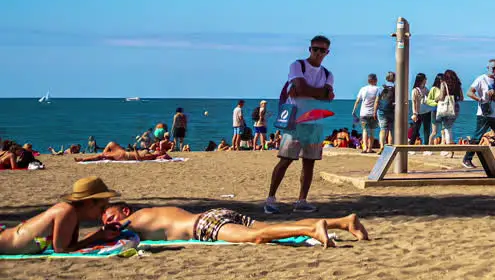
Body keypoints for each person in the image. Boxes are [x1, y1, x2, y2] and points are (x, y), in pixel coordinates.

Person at [265, 35, 335, 215]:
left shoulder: (328, 74)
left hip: (315, 121)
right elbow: (306, 90)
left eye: (322, 50)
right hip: (296, 121)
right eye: (315, 49)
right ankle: (271, 198)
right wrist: (317, 93)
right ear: (309, 49)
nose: (318, 53)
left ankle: (302, 200)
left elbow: (325, 97)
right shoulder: (297, 65)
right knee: (286, 159)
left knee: (309, 163)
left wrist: (308, 92)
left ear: (327, 52)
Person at [101, 202, 369, 248]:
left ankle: (312, 229)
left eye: (111, 216)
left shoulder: (132, 219)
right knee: (276, 227)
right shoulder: (154, 211)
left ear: (124, 211)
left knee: (258, 236)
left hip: (203, 226)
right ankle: (344, 222)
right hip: (216, 213)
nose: (110, 223)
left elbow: (108, 234)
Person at [0, 177, 123, 255]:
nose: (103, 213)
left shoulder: (72, 214)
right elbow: (61, 249)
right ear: (89, 202)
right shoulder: (66, 212)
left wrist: (100, 234)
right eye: (101, 207)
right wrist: (96, 236)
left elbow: (70, 245)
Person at [462, 59, 495, 170]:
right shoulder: (481, 79)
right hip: (484, 115)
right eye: (493, 68)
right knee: (477, 137)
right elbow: (469, 92)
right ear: (488, 68)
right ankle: (467, 159)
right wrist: (480, 99)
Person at [434, 70, 462, 156]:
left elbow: (442, 97)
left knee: (447, 129)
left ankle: (448, 150)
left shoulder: (443, 83)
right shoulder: (458, 84)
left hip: (446, 108)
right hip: (455, 107)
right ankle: (449, 149)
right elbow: (461, 98)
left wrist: (436, 98)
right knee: (449, 127)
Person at [352, 74, 380, 153]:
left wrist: (354, 110)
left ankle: (364, 148)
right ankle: (370, 148)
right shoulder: (378, 89)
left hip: (363, 113)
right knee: (372, 131)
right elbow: (378, 101)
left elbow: (357, 101)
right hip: (372, 113)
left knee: (364, 130)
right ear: (375, 80)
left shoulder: (363, 89)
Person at [76, 140, 172, 162]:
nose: (158, 150)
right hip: (124, 152)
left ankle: (83, 159)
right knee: (111, 143)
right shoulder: (151, 152)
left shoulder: (152, 156)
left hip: (124, 156)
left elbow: (139, 159)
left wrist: (135, 149)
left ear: (160, 154)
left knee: (102, 155)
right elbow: (154, 145)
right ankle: (104, 155)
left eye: (160, 151)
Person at [410, 73, 432, 145]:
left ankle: (426, 147)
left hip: (427, 112)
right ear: (422, 80)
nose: (426, 80)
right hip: (418, 113)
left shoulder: (426, 89)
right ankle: (410, 146)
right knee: (415, 130)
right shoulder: (415, 90)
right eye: (425, 79)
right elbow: (413, 102)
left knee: (427, 131)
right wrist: (414, 113)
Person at [377, 71, 397, 149]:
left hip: (382, 110)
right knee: (391, 129)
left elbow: (377, 100)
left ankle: (382, 145)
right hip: (392, 110)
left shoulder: (381, 87)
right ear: (394, 78)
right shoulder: (396, 88)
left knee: (383, 129)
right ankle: (390, 146)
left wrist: (375, 111)